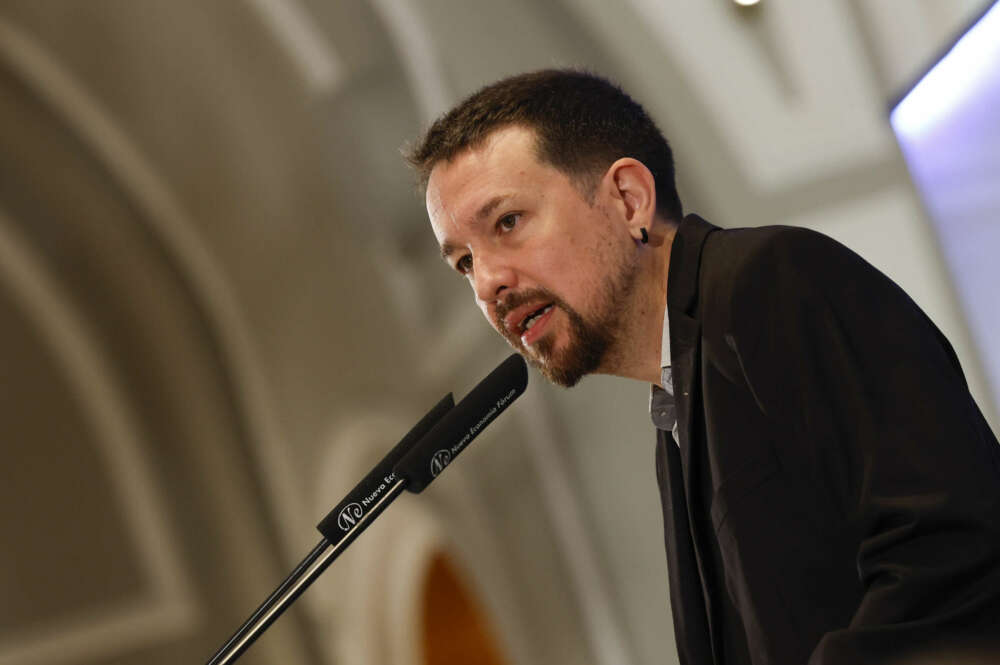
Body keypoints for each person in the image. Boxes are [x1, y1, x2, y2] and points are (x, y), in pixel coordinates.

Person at [405, 69, 1000, 665]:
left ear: (628, 199)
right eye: (462, 263)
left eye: (507, 223)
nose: (488, 284)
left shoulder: (772, 284)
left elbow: (948, 551)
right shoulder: (677, 402)